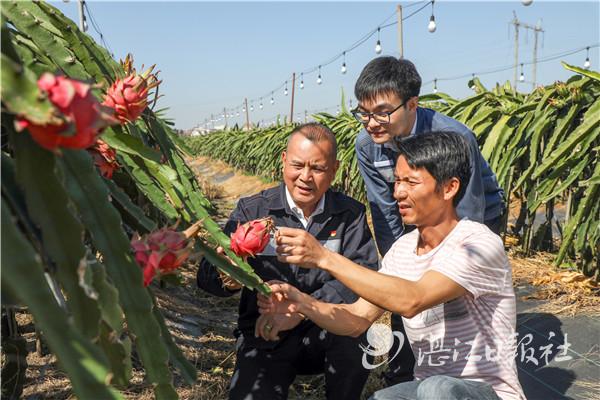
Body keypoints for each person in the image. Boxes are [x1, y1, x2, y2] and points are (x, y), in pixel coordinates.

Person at [259, 132, 525, 400]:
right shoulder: (402, 251)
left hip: (488, 392)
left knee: (438, 389)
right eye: (397, 181)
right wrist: (303, 304)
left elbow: (413, 299)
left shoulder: (478, 244)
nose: (398, 192)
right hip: (426, 390)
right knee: (384, 398)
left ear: (449, 188)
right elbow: (357, 319)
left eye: (411, 182)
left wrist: (323, 257)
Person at [197, 122, 379, 400]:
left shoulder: (350, 215)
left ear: (334, 170)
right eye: (297, 165)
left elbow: (361, 277)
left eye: (317, 168)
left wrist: (301, 309)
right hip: (266, 331)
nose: (306, 177)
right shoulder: (252, 210)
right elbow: (206, 277)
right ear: (283, 161)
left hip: (326, 328)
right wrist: (227, 277)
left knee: (357, 336)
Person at [352, 56, 506, 384]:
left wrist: (427, 280)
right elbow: (383, 211)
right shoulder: (367, 146)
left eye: (382, 112)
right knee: (408, 294)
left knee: (456, 298)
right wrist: (401, 276)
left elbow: (468, 217)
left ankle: (472, 377)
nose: (371, 123)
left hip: (477, 213)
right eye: (363, 113)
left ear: (412, 104)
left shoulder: (454, 137)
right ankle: (403, 371)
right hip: (418, 216)